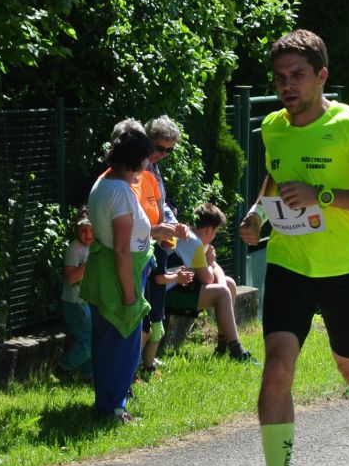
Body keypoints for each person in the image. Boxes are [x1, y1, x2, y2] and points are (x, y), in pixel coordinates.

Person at [237, 29, 349, 466]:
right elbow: (275, 176)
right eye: (280, 77)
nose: (287, 86)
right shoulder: (272, 126)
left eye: (298, 76)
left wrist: (323, 196)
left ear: (321, 76)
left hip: (343, 269)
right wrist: (257, 214)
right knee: (276, 370)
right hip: (289, 265)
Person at [80, 121, 173, 422]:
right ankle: (114, 410)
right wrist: (130, 295)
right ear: (136, 159)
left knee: (109, 343)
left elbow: (126, 237)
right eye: (146, 157)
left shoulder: (107, 182)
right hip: (119, 275)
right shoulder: (119, 191)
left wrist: (154, 232)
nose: (149, 163)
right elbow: (121, 248)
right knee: (120, 345)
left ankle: (109, 406)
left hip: (110, 271)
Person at [166, 203, 253, 362]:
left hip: (180, 286)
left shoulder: (196, 238)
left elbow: (215, 268)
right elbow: (206, 278)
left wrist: (221, 282)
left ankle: (223, 345)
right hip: (168, 293)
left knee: (229, 284)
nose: (214, 236)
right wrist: (209, 263)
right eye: (215, 232)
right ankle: (236, 348)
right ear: (208, 230)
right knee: (222, 291)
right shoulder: (192, 242)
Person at [140, 116, 185, 374]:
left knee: (154, 310)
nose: (163, 154)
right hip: (141, 244)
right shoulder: (137, 168)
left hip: (156, 243)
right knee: (144, 312)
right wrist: (159, 227)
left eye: (169, 150)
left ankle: (145, 361)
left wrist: (172, 225)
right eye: (159, 148)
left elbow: (160, 203)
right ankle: (135, 364)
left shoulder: (154, 167)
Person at [59, 209, 93, 381]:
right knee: (89, 340)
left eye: (91, 230)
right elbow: (71, 277)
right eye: (83, 231)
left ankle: (87, 374)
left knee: (90, 337)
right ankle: (64, 366)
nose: (88, 235)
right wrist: (90, 264)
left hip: (87, 301)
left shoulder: (94, 246)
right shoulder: (74, 249)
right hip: (75, 303)